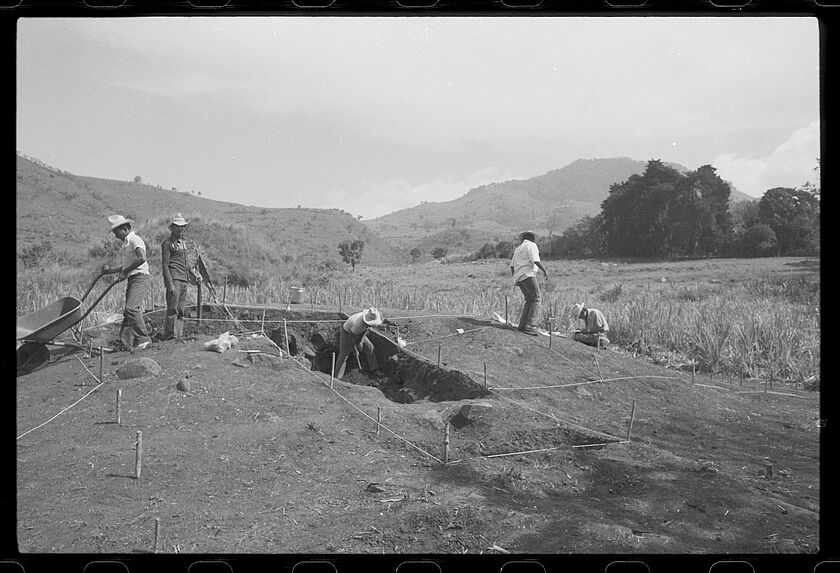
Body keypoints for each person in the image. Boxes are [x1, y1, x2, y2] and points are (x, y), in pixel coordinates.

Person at [102, 215, 152, 351]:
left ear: (124, 229)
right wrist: (111, 270)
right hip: (133, 278)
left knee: (132, 308)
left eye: (116, 232)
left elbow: (142, 258)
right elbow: (126, 265)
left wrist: (125, 272)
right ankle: (125, 343)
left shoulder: (135, 240)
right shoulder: (126, 243)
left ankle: (144, 339)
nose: (115, 236)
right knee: (128, 312)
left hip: (140, 278)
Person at [160, 213, 200, 340]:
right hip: (174, 277)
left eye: (182, 226)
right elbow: (165, 265)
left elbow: (186, 263)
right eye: (178, 226)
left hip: (184, 278)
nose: (180, 229)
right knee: (172, 308)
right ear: (172, 228)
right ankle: (169, 336)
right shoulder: (167, 243)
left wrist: (194, 274)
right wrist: (169, 283)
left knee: (181, 309)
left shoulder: (183, 243)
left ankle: (178, 335)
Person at [509, 231, 548, 336]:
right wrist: (544, 270)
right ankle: (530, 325)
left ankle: (522, 325)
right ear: (532, 238)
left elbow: (512, 266)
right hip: (527, 275)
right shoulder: (532, 245)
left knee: (529, 300)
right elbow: (535, 260)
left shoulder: (518, 249)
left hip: (519, 277)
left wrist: (515, 279)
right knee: (536, 298)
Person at [334, 307, 384, 380]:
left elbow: (364, 331)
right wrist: (354, 350)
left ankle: (374, 369)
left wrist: (360, 342)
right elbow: (351, 337)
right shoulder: (358, 324)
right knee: (344, 354)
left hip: (357, 332)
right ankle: (337, 377)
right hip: (347, 332)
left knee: (370, 347)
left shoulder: (368, 321)